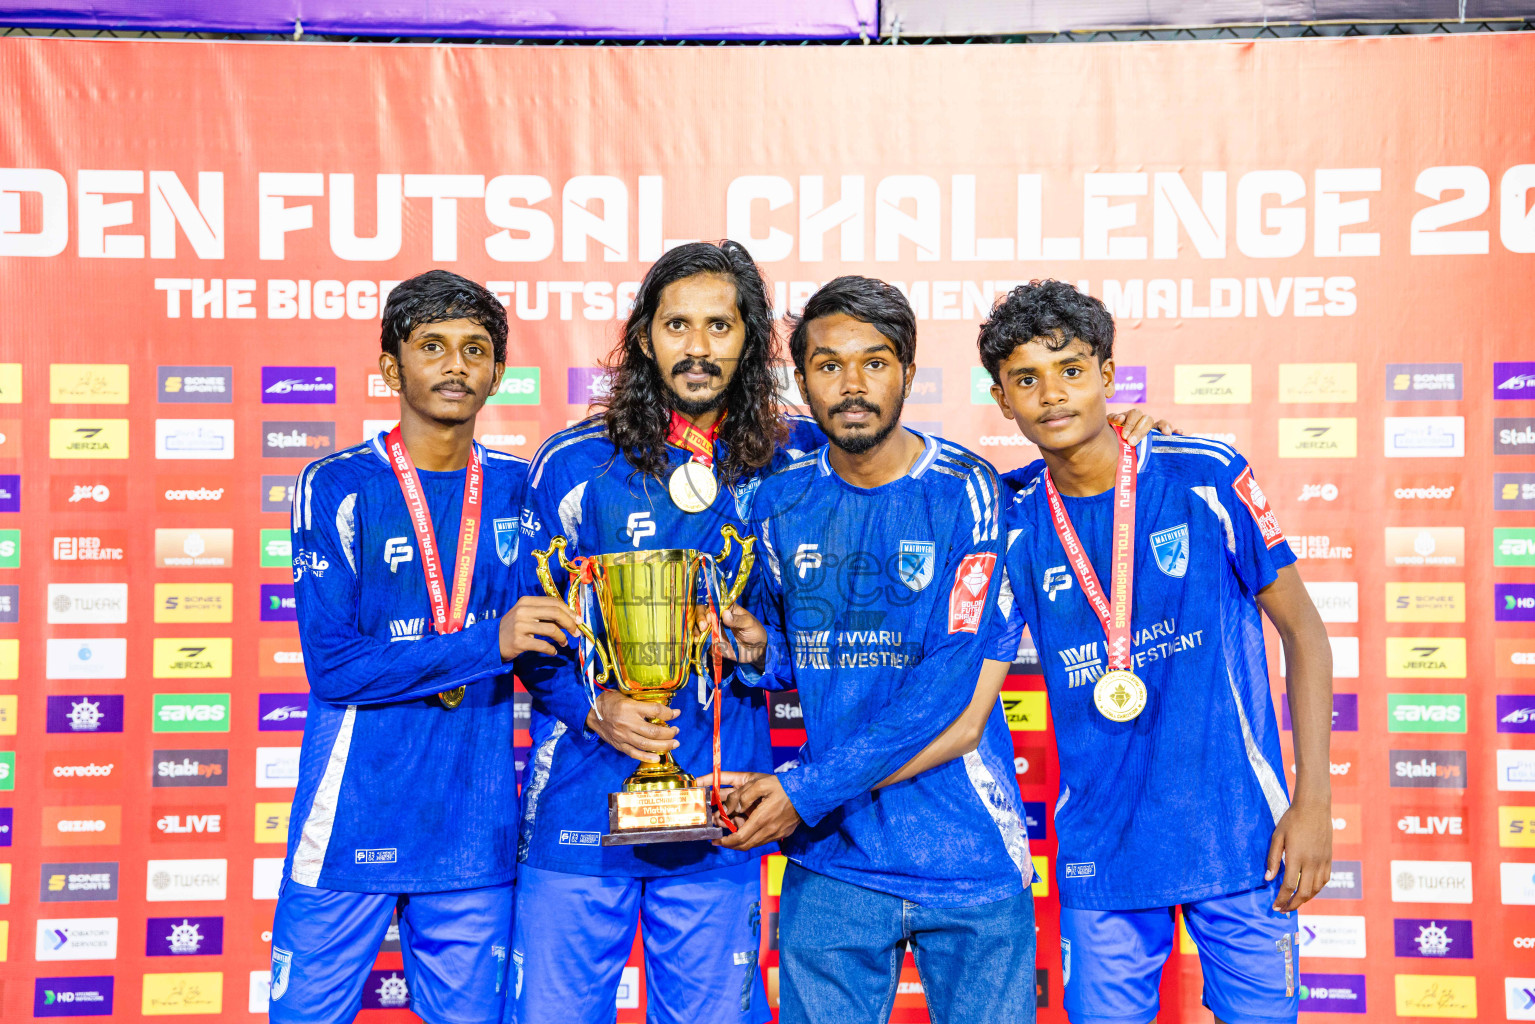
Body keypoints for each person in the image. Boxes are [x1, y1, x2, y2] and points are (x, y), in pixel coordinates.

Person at [979, 279, 1333, 1024]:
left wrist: (1312, 804)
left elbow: (1304, 630)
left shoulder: (1202, 474)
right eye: (1025, 380)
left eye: (1071, 370)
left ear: (1108, 376)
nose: (1051, 394)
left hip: (1240, 836)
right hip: (1102, 849)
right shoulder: (1008, 518)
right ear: (1000, 399)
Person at [510, 241, 822, 1024]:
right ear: (644, 337)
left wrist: (759, 648)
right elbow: (530, 631)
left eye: (719, 326)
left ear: (749, 338)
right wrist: (591, 709)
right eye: (677, 324)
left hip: (721, 813)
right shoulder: (574, 463)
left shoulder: (798, 461)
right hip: (580, 804)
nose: (698, 346)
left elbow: (815, 632)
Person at [715, 275, 1035, 1024]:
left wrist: (802, 791)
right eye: (828, 366)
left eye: (874, 362)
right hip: (833, 860)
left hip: (967, 857)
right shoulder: (775, 502)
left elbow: (948, 690)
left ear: (909, 374)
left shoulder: (968, 492)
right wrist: (762, 651)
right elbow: (791, 655)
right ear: (801, 379)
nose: (851, 385)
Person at [271, 270, 580, 1024]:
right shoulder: (338, 484)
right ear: (390, 368)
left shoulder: (522, 488)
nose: (455, 366)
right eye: (432, 346)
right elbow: (335, 668)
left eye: (475, 350)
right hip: (350, 820)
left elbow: (549, 651)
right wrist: (489, 643)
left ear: (498, 374)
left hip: (473, 827)